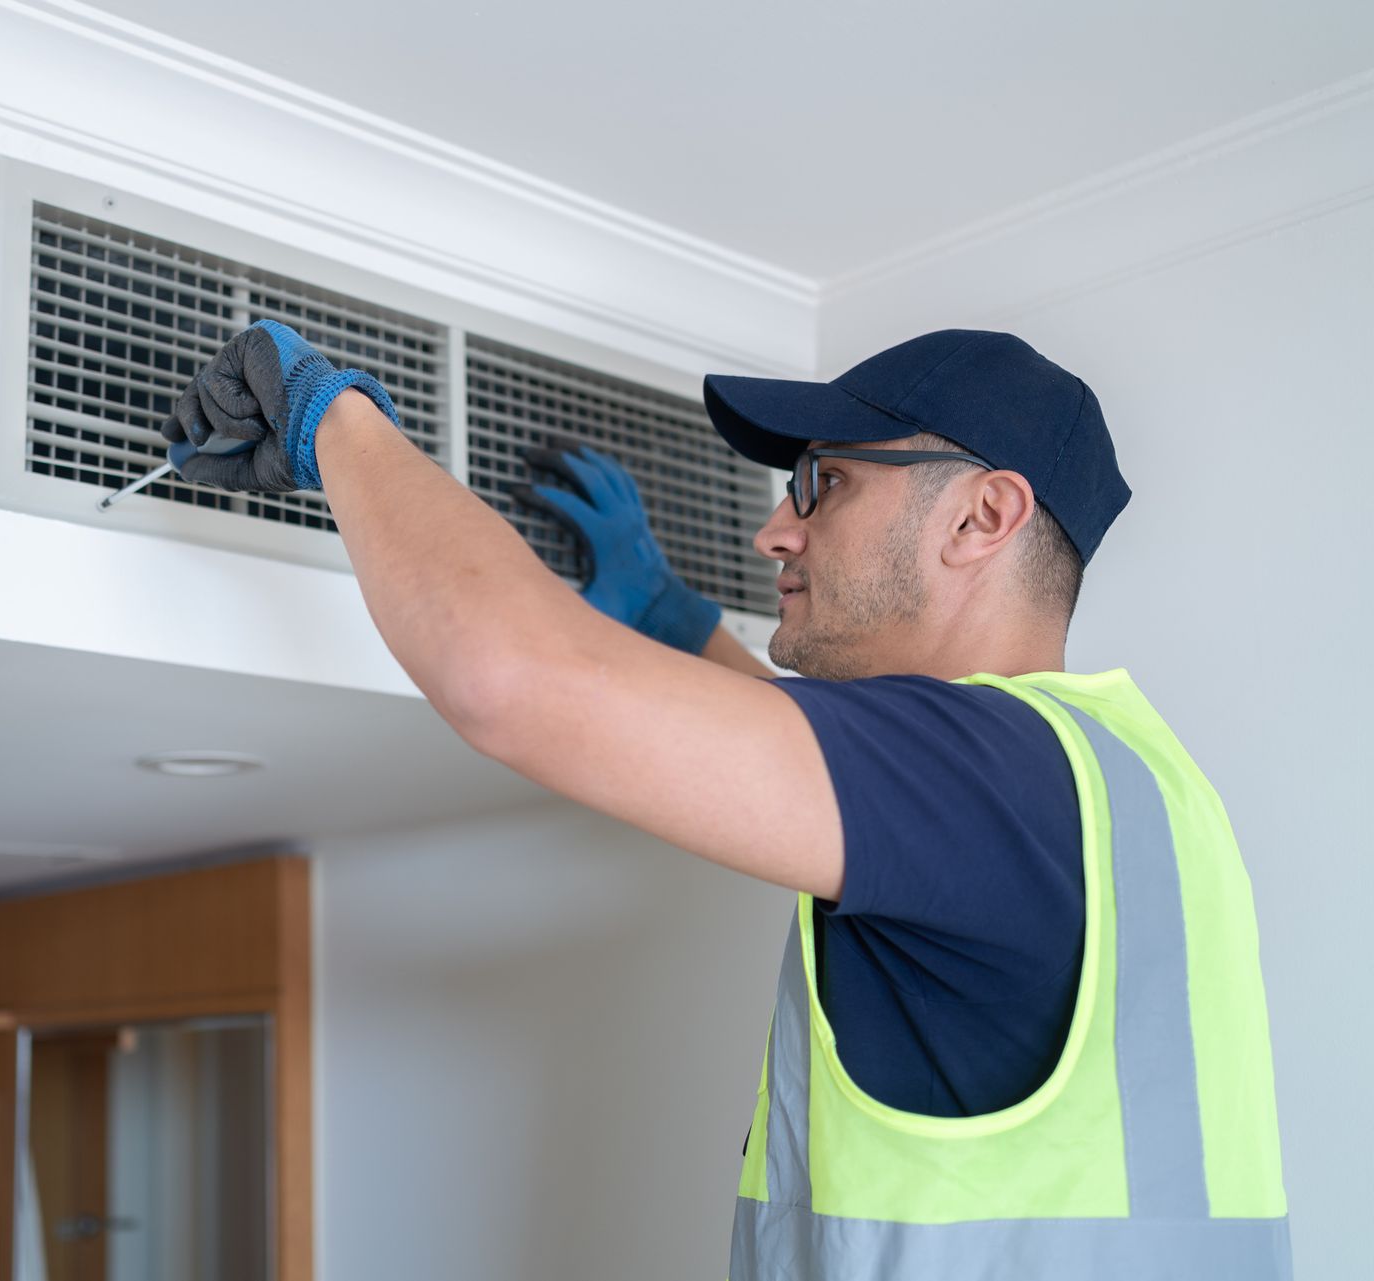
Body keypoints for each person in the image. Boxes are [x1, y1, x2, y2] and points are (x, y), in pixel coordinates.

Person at [160, 321, 1291, 1279]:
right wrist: (670, 616)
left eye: (824, 482)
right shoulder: (1118, 783)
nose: (775, 530)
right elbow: (852, 791)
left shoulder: (987, 772)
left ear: (981, 519)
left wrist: (334, 420)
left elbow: (506, 681)